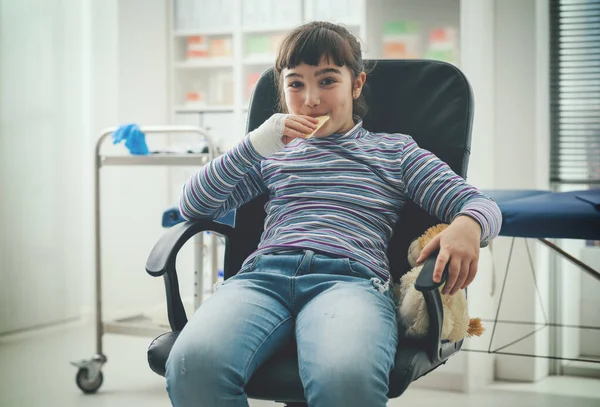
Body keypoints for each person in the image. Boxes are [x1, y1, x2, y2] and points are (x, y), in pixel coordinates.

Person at [166, 21, 502, 407]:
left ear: (356, 85)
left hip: (349, 282)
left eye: (327, 81)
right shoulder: (271, 153)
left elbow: (480, 203)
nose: (310, 99)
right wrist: (253, 145)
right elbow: (192, 205)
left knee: (346, 380)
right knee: (192, 367)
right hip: (262, 278)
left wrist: (469, 225)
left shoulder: (394, 152)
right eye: (296, 84)